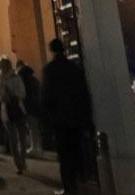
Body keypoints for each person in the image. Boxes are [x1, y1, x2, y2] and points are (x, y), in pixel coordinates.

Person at [41, 38, 93, 195]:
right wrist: (87, 118)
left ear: (51, 50)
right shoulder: (74, 68)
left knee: (64, 155)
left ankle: (69, 186)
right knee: (77, 150)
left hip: (60, 119)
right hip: (76, 117)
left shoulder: (50, 69)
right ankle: (82, 181)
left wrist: (47, 120)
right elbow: (84, 93)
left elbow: (47, 96)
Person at [0, 55, 30, 174]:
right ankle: (18, 164)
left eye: (5, 64)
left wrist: (14, 95)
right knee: (13, 139)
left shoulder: (16, 78)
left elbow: (23, 92)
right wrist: (1, 97)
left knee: (22, 139)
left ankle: (22, 161)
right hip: (6, 111)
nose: (3, 67)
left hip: (18, 110)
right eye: (1, 64)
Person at [17, 60, 43, 156]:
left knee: (31, 127)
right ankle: (39, 147)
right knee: (35, 127)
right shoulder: (34, 80)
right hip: (36, 106)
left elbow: (22, 94)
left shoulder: (23, 81)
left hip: (28, 106)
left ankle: (34, 147)